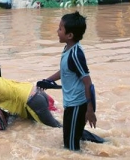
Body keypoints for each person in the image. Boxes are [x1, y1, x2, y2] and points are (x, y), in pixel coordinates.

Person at [40, 11, 97, 151]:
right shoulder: (67, 49)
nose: (57, 31)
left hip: (78, 104)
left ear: (70, 35)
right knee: (71, 136)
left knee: (71, 147)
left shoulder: (75, 55)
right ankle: (104, 143)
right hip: (72, 103)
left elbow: (87, 82)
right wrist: (47, 81)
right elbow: (64, 71)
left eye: (60, 29)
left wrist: (90, 110)